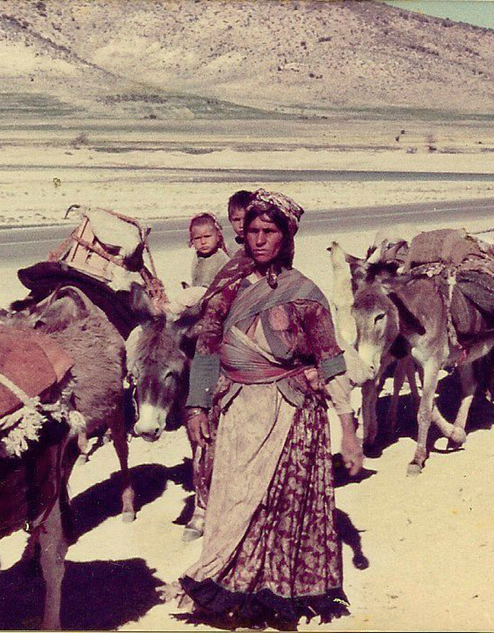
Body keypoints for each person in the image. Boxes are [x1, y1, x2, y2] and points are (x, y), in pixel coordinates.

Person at [175, 188, 363, 629]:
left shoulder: (305, 293)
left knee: (276, 508)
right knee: (231, 501)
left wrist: (349, 430)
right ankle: (225, 584)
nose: (257, 240)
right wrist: (196, 406)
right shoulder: (225, 285)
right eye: (252, 231)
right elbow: (206, 347)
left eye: (269, 232)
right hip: (237, 408)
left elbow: (330, 362)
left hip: (291, 412)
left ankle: (267, 596)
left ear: (286, 237)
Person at [188, 212, 230, 288]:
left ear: (218, 236)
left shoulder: (221, 259)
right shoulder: (198, 256)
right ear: (192, 240)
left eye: (207, 236)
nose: (203, 242)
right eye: (197, 238)